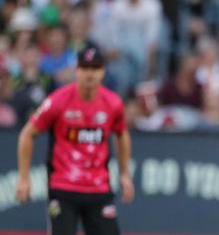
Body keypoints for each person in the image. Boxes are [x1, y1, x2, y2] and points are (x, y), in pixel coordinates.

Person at [15, 46, 134, 235]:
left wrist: (125, 174)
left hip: (99, 189)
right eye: (85, 68)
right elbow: (28, 134)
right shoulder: (58, 100)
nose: (90, 74)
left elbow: (122, 133)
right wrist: (23, 178)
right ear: (77, 70)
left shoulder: (113, 103)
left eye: (95, 68)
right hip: (63, 188)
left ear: (102, 71)